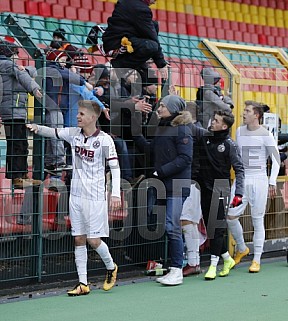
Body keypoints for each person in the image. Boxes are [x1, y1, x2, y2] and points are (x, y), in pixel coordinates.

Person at [27, 100, 121, 296]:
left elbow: (114, 167)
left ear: (93, 118)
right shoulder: (73, 134)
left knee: (94, 241)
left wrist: (115, 193)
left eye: (81, 114)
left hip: (95, 197)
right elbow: (52, 132)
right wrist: (36, 127)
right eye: (78, 113)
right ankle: (83, 283)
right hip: (76, 195)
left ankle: (111, 267)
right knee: (78, 238)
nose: (78, 117)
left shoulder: (104, 140)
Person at [134, 95, 193, 286]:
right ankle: (175, 267)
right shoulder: (164, 127)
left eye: (163, 106)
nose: (159, 108)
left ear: (173, 109)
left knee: (171, 226)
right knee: (169, 226)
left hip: (176, 185)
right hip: (165, 184)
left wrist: (160, 171)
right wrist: (137, 136)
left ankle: (177, 269)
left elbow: (185, 158)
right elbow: (153, 149)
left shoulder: (182, 129)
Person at [227, 100, 280, 273]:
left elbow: (276, 159)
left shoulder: (266, 134)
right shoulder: (240, 131)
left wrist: (272, 181)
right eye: (244, 110)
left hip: (259, 180)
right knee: (230, 215)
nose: (243, 113)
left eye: (247, 111)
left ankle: (257, 259)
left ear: (256, 115)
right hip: (242, 180)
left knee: (257, 220)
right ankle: (242, 248)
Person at [193, 110, 245, 280]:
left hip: (221, 187)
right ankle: (227, 259)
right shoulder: (205, 138)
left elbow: (239, 169)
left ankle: (213, 265)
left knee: (217, 227)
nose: (212, 122)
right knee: (210, 228)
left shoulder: (230, 144)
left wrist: (239, 193)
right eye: (212, 119)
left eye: (216, 120)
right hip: (205, 187)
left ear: (224, 126)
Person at [0, 39, 42, 188]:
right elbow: (24, 76)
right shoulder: (7, 65)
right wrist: (34, 88)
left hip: (15, 111)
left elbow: (30, 71)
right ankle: (17, 177)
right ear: (9, 54)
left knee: (20, 144)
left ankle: (21, 175)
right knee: (17, 144)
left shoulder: (10, 66)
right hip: (12, 112)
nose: (18, 57)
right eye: (16, 54)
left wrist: (26, 70)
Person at [102, 0, 168, 80]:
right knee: (151, 46)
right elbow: (152, 36)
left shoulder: (130, 3)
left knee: (154, 25)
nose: (154, 2)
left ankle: (137, 65)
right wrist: (161, 64)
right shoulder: (141, 9)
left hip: (114, 39)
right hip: (117, 43)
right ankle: (115, 67)